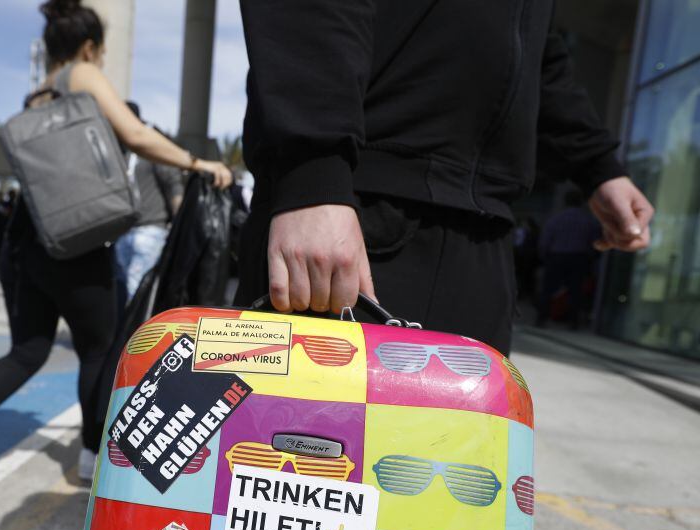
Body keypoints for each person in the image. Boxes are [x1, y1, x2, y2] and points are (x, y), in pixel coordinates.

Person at [0, 0, 233, 507]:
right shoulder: (83, 73)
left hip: (28, 239)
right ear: (89, 48)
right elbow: (135, 134)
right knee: (99, 348)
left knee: (28, 350)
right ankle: (92, 456)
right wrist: (196, 163)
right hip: (78, 241)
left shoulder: (37, 94)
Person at [234, 1, 655, 355]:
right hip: (357, 208)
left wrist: (597, 166)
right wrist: (314, 178)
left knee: (453, 448)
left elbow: (536, 50)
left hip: (483, 231)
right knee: (301, 442)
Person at [114, 101, 185, 303]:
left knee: (137, 292)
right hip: (124, 233)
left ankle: (140, 334)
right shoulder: (121, 152)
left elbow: (174, 187)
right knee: (125, 291)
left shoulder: (150, 149)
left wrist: (177, 230)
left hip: (150, 231)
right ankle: (129, 332)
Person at [535, 190, 601, 329]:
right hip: (578, 257)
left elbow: (545, 241)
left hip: (557, 256)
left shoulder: (557, 219)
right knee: (575, 290)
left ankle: (541, 318)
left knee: (548, 288)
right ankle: (573, 321)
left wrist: (545, 256)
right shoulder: (587, 220)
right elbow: (595, 242)